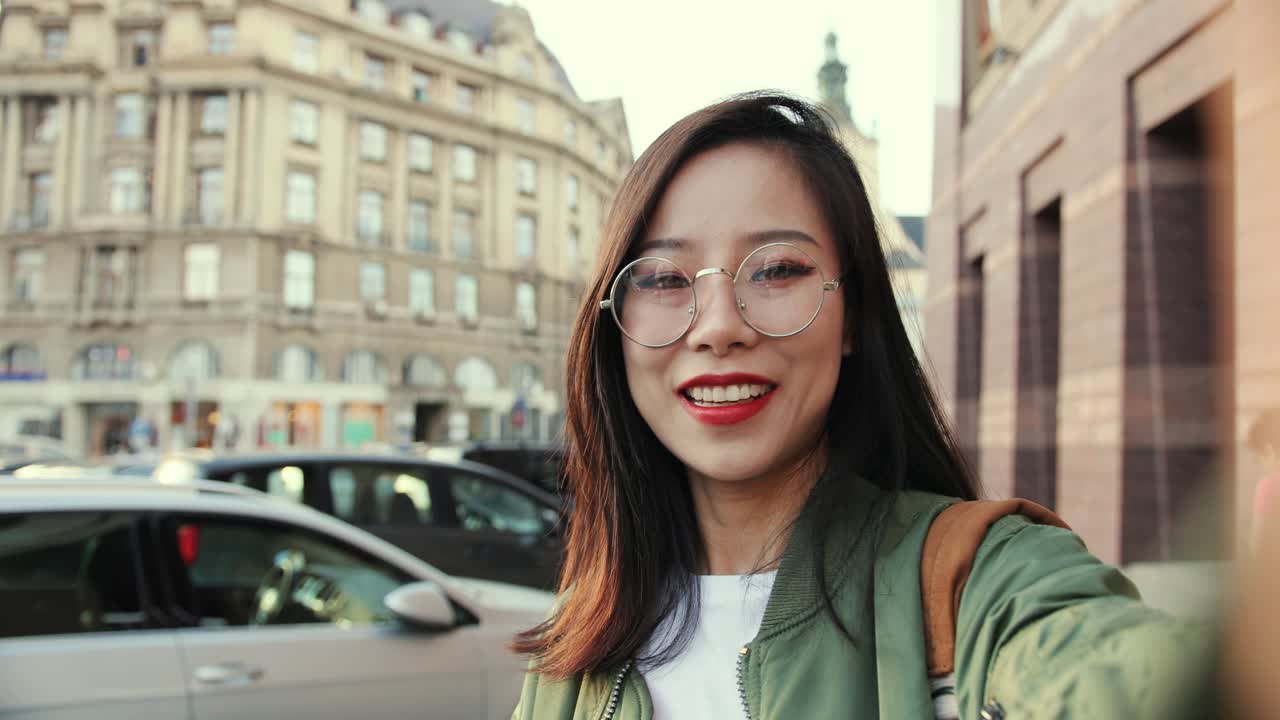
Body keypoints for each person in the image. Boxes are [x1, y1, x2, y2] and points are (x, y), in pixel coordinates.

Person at [510, 92, 1209, 720]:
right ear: (612, 324)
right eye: (664, 278)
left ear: (853, 316)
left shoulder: (976, 578)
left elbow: (1125, 674)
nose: (719, 324)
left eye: (779, 269)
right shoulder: (580, 639)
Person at [1247, 409, 1280, 548]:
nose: (1260, 463)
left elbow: (1257, 546)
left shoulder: (1269, 486)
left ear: (1268, 450)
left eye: (1258, 457)